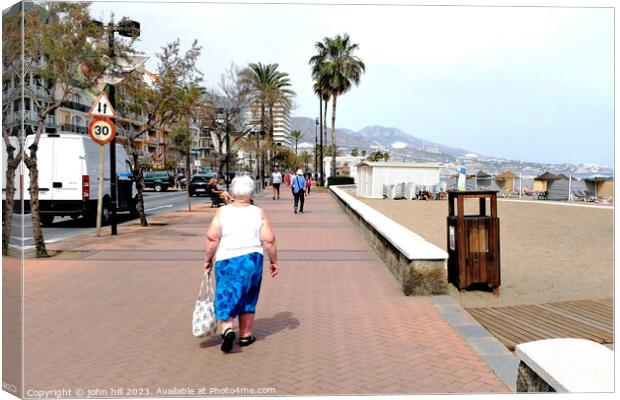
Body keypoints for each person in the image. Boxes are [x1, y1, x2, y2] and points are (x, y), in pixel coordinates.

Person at [203, 176, 279, 353]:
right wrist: (274, 261)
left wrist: (208, 259)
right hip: (252, 260)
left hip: (227, 259)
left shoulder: (222, 212)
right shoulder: (257, 212)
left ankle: (228, 330)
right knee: (248, 296)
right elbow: (268, 240)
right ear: (250, 191)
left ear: (232, 191)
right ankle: (245, 335)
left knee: (226, 294)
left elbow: (212, 238)